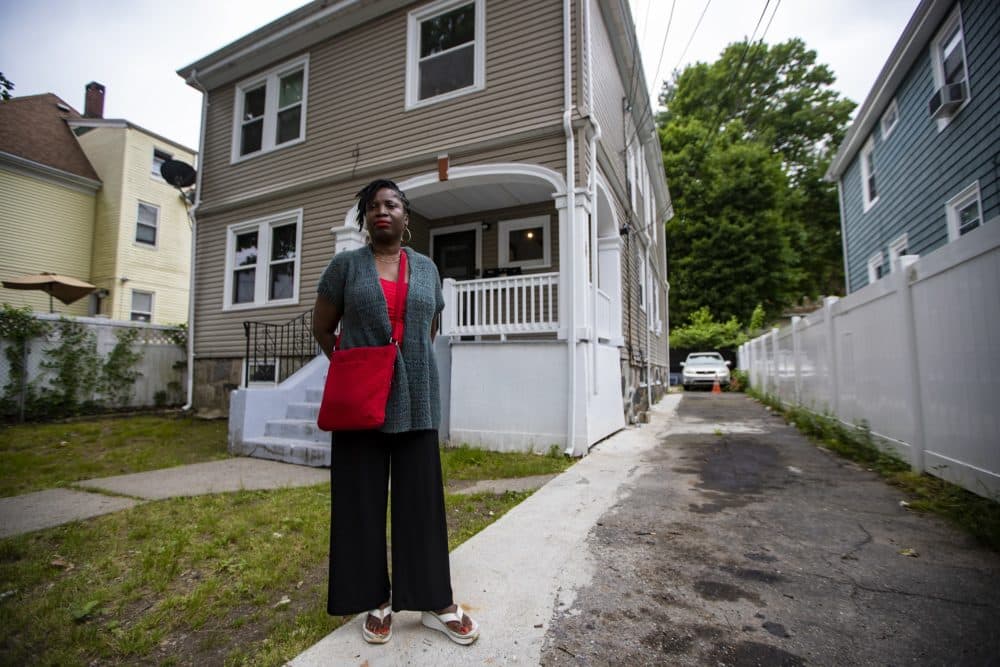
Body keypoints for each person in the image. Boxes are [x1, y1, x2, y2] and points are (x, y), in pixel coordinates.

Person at [312, 179, 479, 646]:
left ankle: (433, 601)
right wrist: (356, 368)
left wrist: (403, 371)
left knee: (421, 504)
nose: (382, 211)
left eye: (392, 204)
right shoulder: (345, 266)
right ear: (365, 218)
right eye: (373, 206)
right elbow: (322, 327)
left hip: (418, 400)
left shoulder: (425, 268)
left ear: (405, 216)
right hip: (361, 405)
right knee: (360, 504)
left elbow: (428, 326)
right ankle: (376, 599)